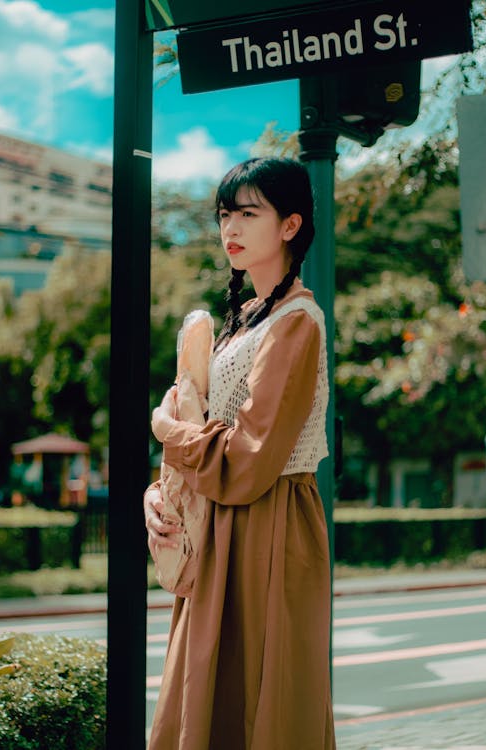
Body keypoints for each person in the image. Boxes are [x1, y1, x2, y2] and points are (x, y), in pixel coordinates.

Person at [144, 157, 336, 750]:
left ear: (289, 225)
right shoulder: (245, 321)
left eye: (249, 213)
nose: (232, 227)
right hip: (222, 519)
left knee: (261, 699)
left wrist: (166, 432)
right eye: (226, 213)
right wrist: (157, 494)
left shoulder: (296, 321)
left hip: (268, 525)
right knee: (208, 692)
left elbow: (251, 457)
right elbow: (210, 428)